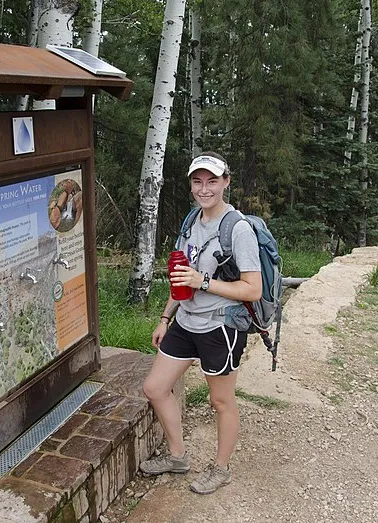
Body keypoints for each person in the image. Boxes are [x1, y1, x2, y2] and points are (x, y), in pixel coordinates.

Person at [140, 152, 262, 495]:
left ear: (226, 182)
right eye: (197, 181)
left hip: (220, 326)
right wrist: (166, 317)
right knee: (155, 388)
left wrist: (204, 283)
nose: (204, 188)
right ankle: (178, 456)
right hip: (186, 321)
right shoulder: (192, 221)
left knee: (220, 401)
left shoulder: (238, 229)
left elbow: (253, 289)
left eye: (212, 181)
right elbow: (182, 276)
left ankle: (221, 469)